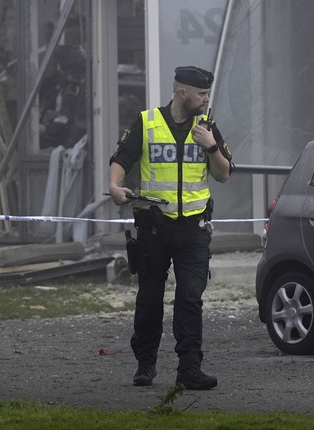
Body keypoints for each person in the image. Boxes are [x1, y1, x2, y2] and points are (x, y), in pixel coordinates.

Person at [108, 65, 233, 390]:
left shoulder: (207, 127)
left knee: (190, 299)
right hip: (154, 228)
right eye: (202, 94)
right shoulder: (147, 122)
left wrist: (211, 147)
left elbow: (223, 174)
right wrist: (114, 186)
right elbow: (122, 157)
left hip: (194, 228)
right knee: (149, 298)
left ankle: (189, 369)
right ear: (182, 93)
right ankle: (145, 365)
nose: (206, 99)